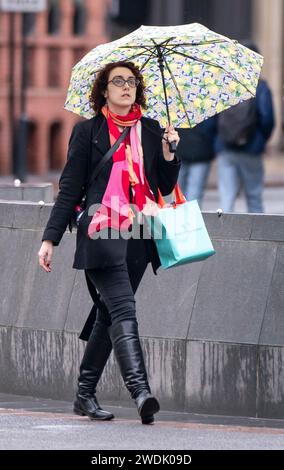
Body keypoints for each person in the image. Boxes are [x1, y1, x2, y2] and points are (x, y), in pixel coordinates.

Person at [38, 60, 180, 424]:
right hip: (100, 233)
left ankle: (84, 394)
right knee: (123, 309)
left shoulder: (150, 130)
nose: (126, 87)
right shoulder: (88, 132)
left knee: (108, 312)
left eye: (131, 81)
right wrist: (50, 238)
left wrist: (169, 152)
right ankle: (141, 391)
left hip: (138, 235)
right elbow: (70, 187)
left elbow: (163, 187)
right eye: (118, 81)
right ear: (104, 89)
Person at [216, 43, 275, 213]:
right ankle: (256, 237)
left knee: (226, 199)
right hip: (251, 149)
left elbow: (214, 116)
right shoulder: (261, 87)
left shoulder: (228, 84)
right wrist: (260, 140)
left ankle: (223, 236)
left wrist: (218, 139)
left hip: (226, 148)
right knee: (254, 197)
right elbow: (268, 118)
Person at [177, 116, 217, 207]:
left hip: (180, 149)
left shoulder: (178, 105)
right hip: (201, 150)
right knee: (194, 193)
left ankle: (180, 219)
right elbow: (211, 126)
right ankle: (192, 219)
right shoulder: (206, 104)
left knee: (179, 193)